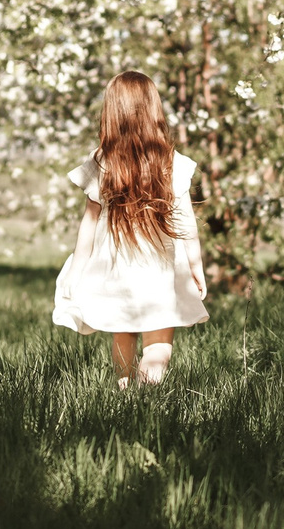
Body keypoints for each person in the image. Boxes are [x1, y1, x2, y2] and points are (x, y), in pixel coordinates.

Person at [53, 71, 208, 386]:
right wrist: (195, 266)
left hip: (117, 266)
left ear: (112, 112)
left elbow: (89, 223)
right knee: (159, 337)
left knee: (123, 332)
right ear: (154, 109)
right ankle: (148, 397)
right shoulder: (172, 162)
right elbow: (186, 223)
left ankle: (124, 395)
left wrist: (76, 269)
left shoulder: (103, 162)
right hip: (162, 267)